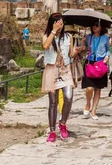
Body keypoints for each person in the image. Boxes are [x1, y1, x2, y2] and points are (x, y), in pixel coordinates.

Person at [41, 13, 82, 142]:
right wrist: (53, 31)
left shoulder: (68, 37)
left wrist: (77, 51)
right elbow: (45, 46)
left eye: (61, 23)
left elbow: (70, 54)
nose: (60, 25)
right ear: (52, 24)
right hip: (52, 70)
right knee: (53, 102)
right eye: (57, 22)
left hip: (65, 70)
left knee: (68, 97)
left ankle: (63, 123)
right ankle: (52, 130)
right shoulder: (47, 36)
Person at [82, 22, 111, 120]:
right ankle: (88, 103)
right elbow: (85, 49)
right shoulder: (89, 37)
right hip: (90, 62)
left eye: (97, 25)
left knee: (98, 89)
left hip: (100, 63)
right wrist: (83, 43)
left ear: (101, 27)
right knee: (89, 88)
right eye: (93, 25)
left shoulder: (105, 38)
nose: (95, 27)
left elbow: (108, 50)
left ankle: (94, 110)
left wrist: (107, 57)